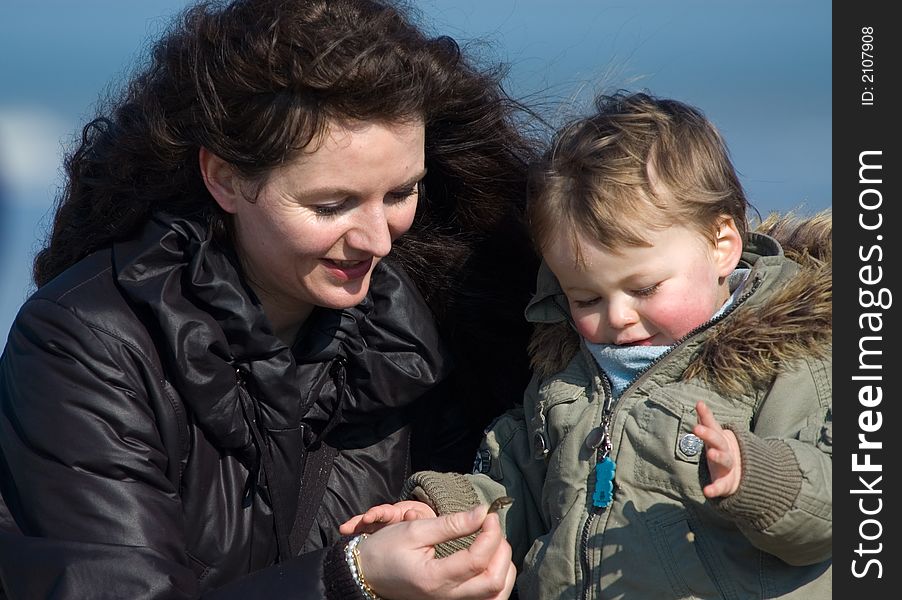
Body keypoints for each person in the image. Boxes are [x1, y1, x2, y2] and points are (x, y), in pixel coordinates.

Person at [0, 0, 541, 597]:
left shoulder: (432, 323)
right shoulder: (82, 345)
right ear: (226, 178)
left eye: (400, 192)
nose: (378, 240)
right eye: (330, 205)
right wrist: (349, 578)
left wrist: (450, 524)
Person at [343, 92, 833, 598]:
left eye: (644, 289)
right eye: (585, 297)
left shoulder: (791, 356)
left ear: (721, 246)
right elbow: (518, 493)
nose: (618, 317)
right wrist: (442, 519)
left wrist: (759, 476)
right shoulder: (568, 380)